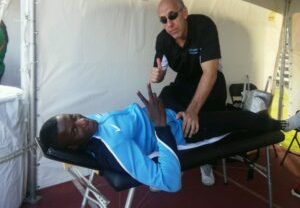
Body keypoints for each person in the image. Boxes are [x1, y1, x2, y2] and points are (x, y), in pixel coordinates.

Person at [40, 83, 300, 193]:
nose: (81, 121)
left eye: (74, 116)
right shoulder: (114, 147)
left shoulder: (91, 125)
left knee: (205, 89)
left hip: (167, 114)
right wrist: (161, 127)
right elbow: (169, 182)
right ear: (74, 144)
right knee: (239, 121)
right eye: (75, 129)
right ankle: (285, 124)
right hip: (180, 134)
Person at [150, 0, 226, 185]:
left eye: (173, 15)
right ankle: (170, 161)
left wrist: (192, 110)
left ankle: (207, 162)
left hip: (210, 79)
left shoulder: (204, 26)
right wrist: (158, 76)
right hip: (184, 81)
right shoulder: (163, 39)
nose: (169, 24)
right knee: (163, 105)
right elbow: (161, 71)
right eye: (163, 20)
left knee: (205, 120)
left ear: (184, 13)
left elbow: (210, 73)